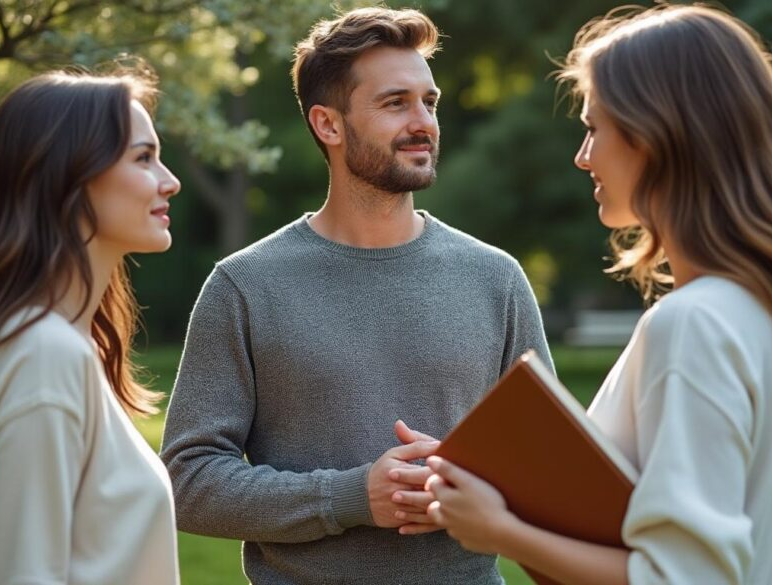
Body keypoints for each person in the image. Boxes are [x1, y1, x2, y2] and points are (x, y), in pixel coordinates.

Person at [424, 5, 772, 585]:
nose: (582, 156)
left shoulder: (694, 325)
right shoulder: (756, 312)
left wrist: (500, 532)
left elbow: (685, 577)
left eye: (594, 128)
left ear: (658, 134)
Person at [159, 6, 551, 584]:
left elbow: (550, 465)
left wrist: (468, 479)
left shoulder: (495, 277)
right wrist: (349, 497)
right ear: (329, 124)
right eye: (396, 103)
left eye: (429, 101)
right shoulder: (245, 286)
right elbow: (187, 480)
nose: (423, 122)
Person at [0, 66, 182, 584]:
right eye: (143, 158)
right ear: (69, 176)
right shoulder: (47, 356)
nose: (169, 181)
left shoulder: (61, 348)